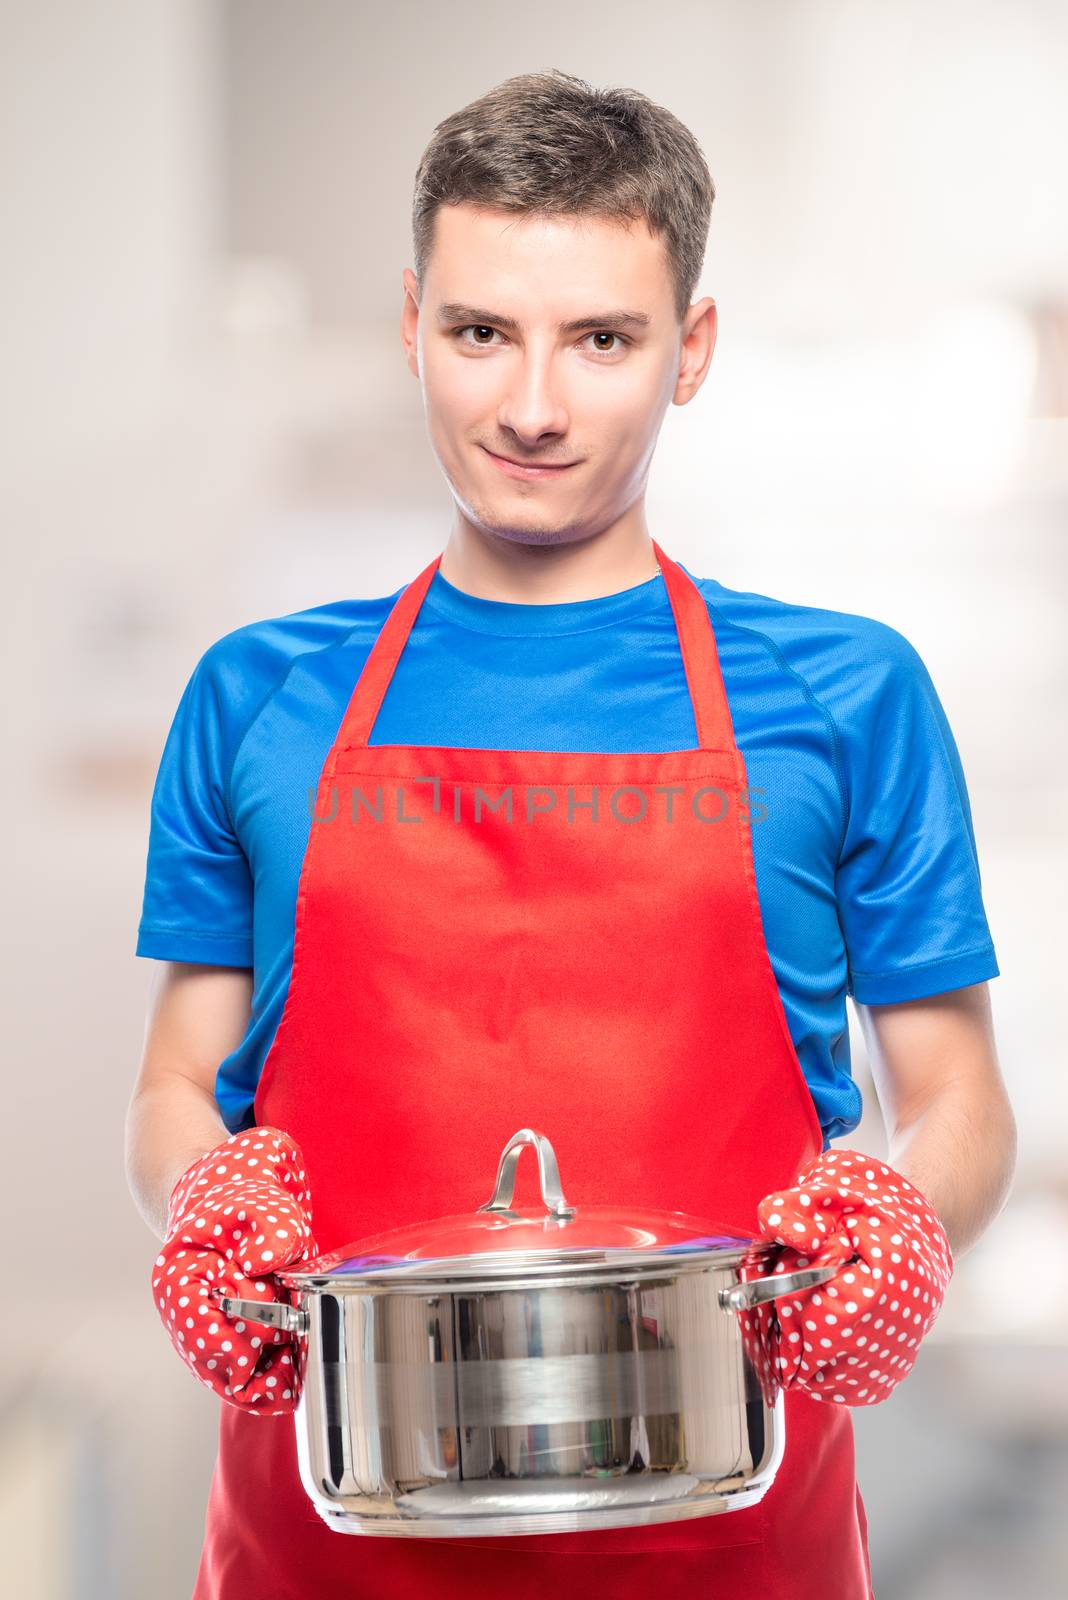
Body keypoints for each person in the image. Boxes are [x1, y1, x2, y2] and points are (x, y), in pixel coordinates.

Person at [125, 68, 1016, 1600]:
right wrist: (205, 1203)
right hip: (327, 1549)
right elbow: (174, 1086)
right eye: (483, 333)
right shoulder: (259, 695)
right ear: (413, 326)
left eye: (601, 339)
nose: (532, 406)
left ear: (692, 351)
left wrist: (902, 1225)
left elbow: (959, 1098)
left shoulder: (842, 694)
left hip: (736, 1548)